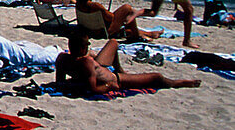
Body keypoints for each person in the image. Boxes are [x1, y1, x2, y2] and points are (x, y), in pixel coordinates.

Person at [54, 30, 200, 95]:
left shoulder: (62, 58)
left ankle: (120, 69)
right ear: (82, 47)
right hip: (115, 79)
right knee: (156, 77)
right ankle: (178, 83)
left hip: (101, 69)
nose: (89, 47)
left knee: (113, 43)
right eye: (87, 44)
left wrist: (73, 82)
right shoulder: (87, 62)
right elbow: (93, 89)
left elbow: (60, 83)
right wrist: (109, 86)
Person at [75, 0, 161, 42]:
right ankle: (136, 36)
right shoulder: (96, 6)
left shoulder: (79, 3)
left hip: (89, 30)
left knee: (129, 27)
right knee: (127, 8)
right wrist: (111, 13)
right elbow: (111, 18)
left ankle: (148, 33)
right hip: (102, 32)